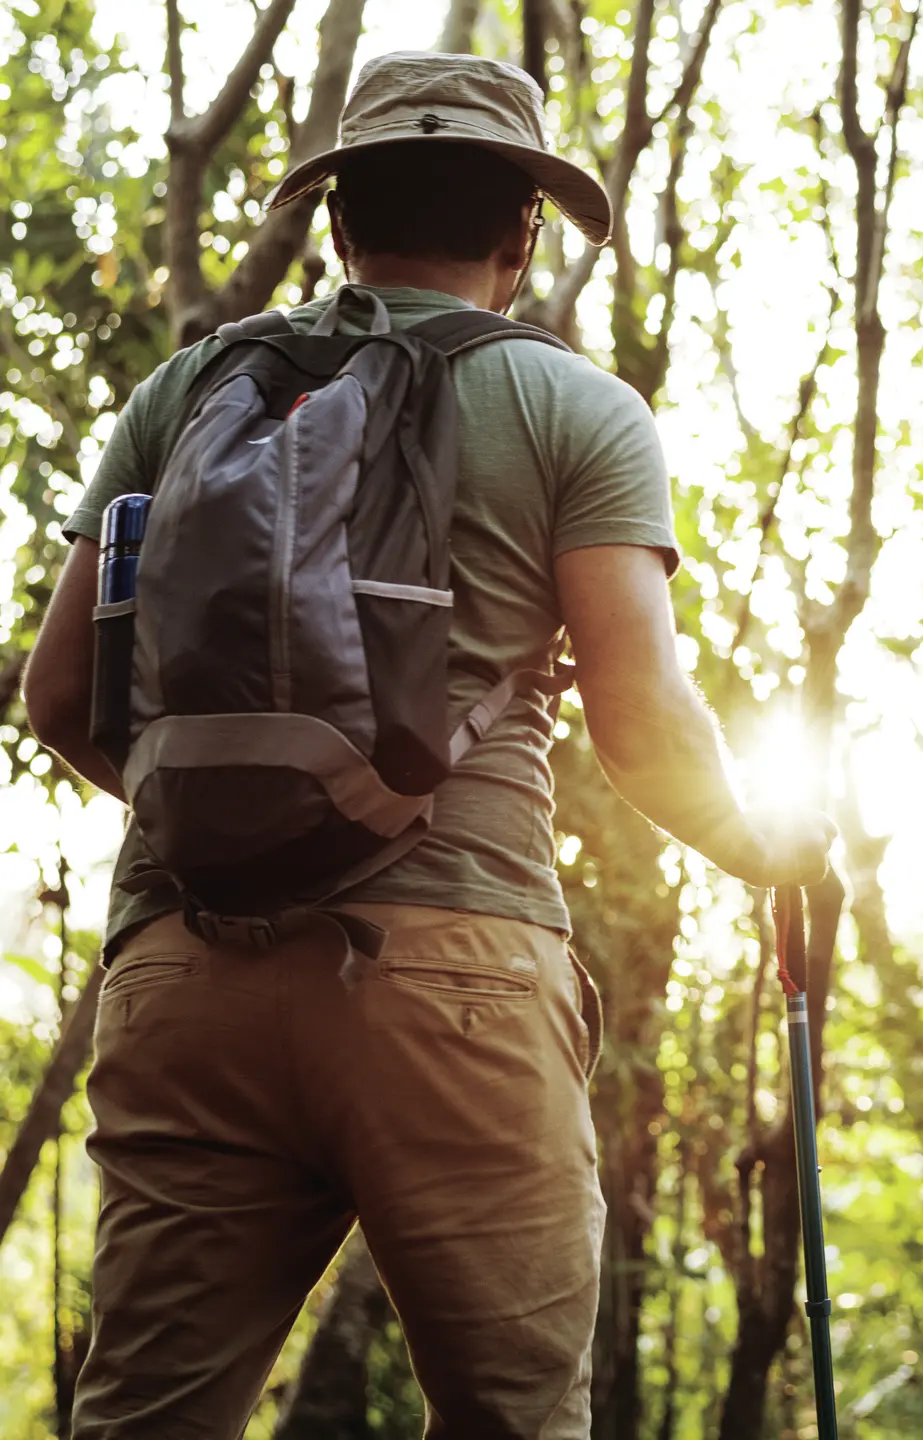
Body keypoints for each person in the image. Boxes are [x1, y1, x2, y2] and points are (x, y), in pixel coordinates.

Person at [23, 51, 833, 1437]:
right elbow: (642, 726)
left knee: (144, 1420)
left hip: (186, 966)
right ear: (526, 232)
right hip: (455, 974)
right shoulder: (576, 409)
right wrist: (776, 853)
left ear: (337, 221)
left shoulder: (185, 394)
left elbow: (55, 695)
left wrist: (233, 817)